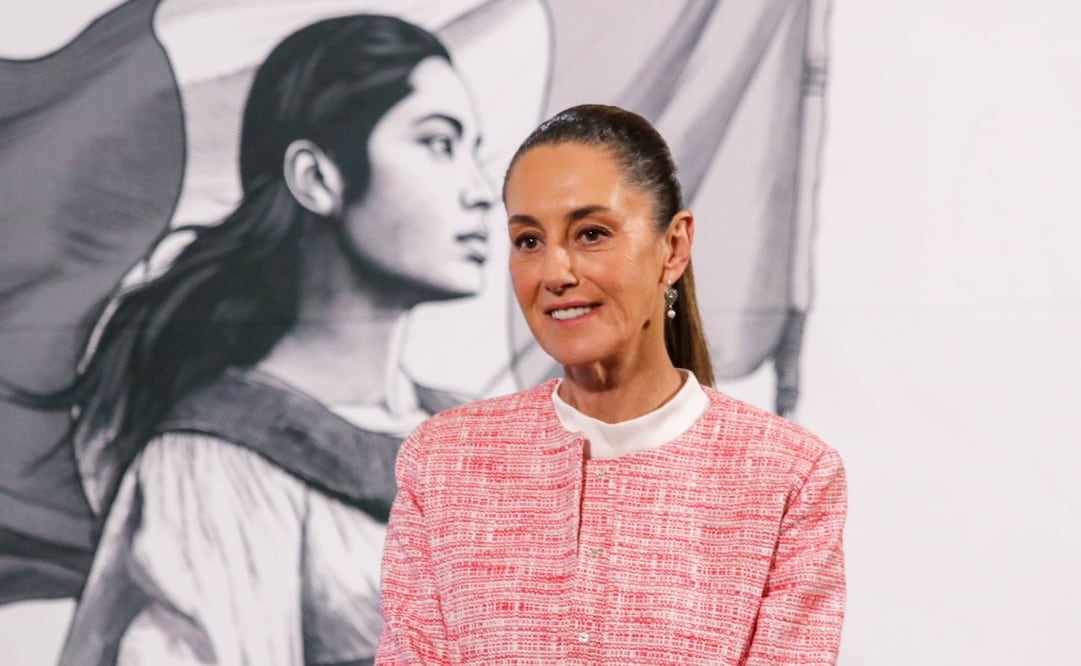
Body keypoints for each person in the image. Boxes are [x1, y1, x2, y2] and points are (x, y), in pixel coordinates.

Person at [10, 14, 493, 665]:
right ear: (316, 179)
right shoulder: (213, 465)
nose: (481, 193)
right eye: (437, 144)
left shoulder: (488, 443)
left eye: (474, 152)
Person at [378, 104, 847, 665]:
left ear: (673, 247)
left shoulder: (789, 475)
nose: (554, 273)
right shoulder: (442, 461)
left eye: (591, 233)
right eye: (528, 241)